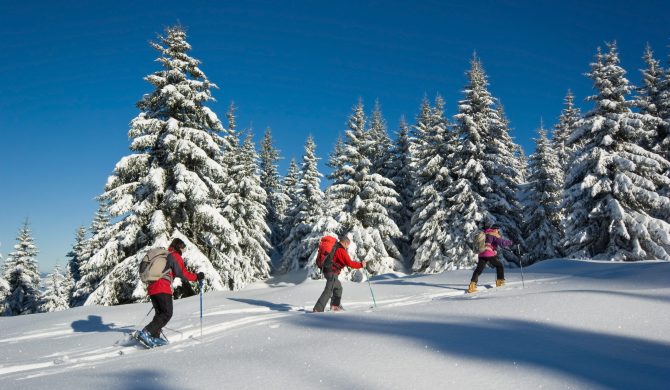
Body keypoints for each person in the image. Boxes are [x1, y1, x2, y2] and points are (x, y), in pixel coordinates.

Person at [136, 238, 205, 347]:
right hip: (162, 287)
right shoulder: (174, 256)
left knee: (160, 314)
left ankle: (154, 336)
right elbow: (182, 273)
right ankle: (146, 332)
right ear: (179, 247)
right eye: (183, 248)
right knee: (167, 313)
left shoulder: (165, 256)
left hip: (153, 288)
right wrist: (197, 276)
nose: (183, 251)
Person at [313, 236, 366, 312]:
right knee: (328, 290)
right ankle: (318, 309)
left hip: (327, 271)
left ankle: (335, 306)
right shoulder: (341, 250)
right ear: (345, 243)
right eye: (348, 245)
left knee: (338, 288)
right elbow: (350, 263)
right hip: (332, 273)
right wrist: (361, 265)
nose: (347, 247)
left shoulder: (335, 247)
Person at [468, 225, 512, 293]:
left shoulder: (485, 233)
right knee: (499, 265)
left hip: (481, 254)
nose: (498, 231)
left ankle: (472, 285)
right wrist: (511, 242)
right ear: (495, 229)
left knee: (479, 270)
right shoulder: (493, 234)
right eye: (498, 230)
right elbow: (502, 243)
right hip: (488, 254)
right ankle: (500, 282)